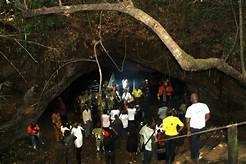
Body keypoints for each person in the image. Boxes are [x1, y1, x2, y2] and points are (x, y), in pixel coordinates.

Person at [185, 93, 210, 163]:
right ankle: (197, 154)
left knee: (193, 143)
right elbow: (208, 116)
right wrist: (203, 122)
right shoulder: (204, 105)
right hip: (202, 128)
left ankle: (194, 158)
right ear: (197, 98)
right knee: (197, 141)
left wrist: (188, 131)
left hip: (194, 129)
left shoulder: (189, 108)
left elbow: (187, 121)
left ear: (191, 100)